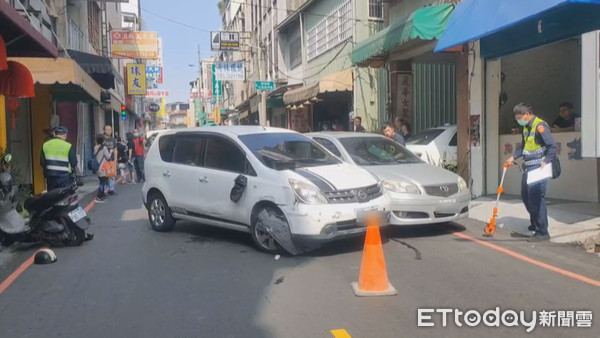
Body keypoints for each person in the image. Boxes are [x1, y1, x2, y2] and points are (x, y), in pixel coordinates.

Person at [506, 103, 557, 242]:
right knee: (526, 197)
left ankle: (542, 232)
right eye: (517, 118)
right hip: (528, 167)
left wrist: (546, 161)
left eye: (520, 118)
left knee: (536, 200)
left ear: (527, 114)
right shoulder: (525, 127)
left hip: (538, 169)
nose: (519, 120)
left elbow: (552, 146)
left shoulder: (540, 126)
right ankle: (535, 223)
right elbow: (524, 147)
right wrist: (513, 156)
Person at [41, 126, 77, 191]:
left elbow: (42, 162)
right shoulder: (68, 146)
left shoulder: (45, 145)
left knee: (52, 197)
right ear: (64, 135)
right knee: (65, 196)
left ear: (55, 134)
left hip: (51, 177)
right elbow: (73, 163)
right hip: (64, 177)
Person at [93, 134, 112, 203]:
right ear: (103, 140)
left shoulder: (95, 147)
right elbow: (108, 157)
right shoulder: (104, 148)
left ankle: (102, 194)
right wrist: (111, 152)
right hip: (103, 168)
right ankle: (99, 196)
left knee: (102, 182)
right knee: (102, 183)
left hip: (97, 167)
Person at [103, 125, 117, 195]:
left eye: (110, 130)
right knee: (104, 176)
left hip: (111, 160)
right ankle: (103, 190)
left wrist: (116, 158)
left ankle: (111, 190)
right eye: (107, 129)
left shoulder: (113, 139)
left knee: (111, 175)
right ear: (104, 130)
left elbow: (115, 149)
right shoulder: (102, 139)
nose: (109, 131)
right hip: (103, 161)